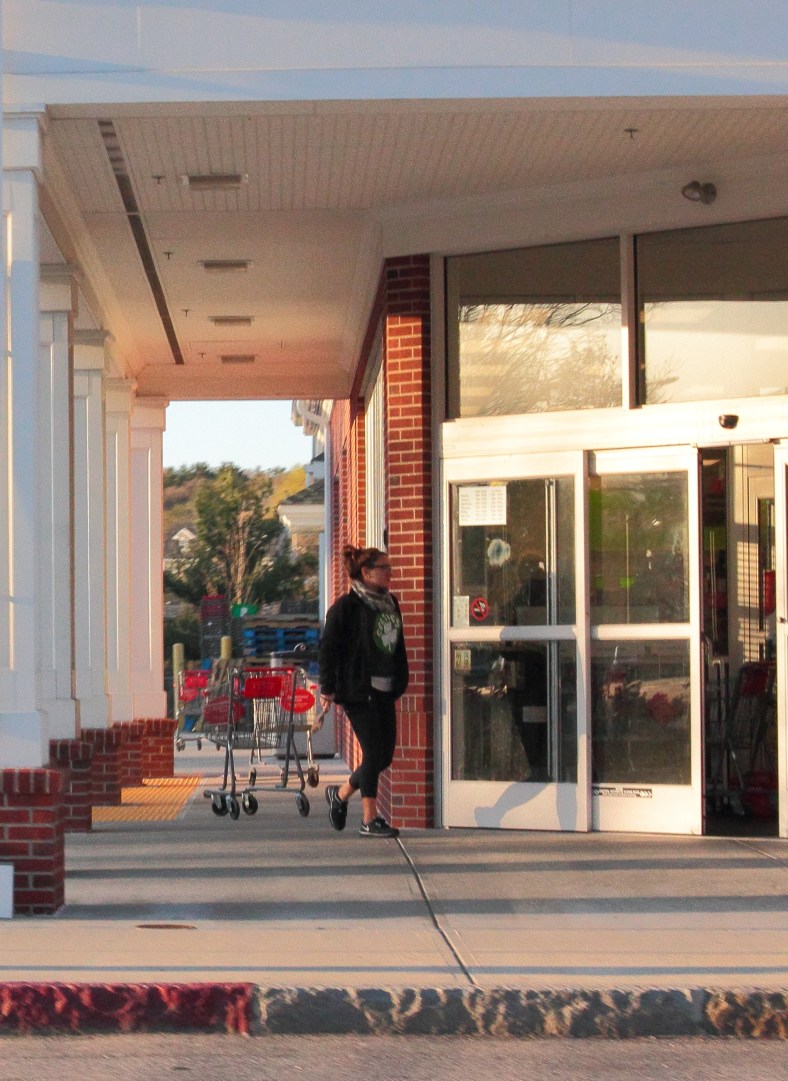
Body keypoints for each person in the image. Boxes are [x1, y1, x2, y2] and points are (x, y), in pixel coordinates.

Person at [319, 544, 409, 837]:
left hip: (385, 689)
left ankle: (341, 794)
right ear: (367, 573)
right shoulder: (346, 607)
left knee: (384, 757)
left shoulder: (390, 603)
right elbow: (328, 649)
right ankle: (369, 819)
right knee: (373, 754)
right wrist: (328, 688)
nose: (390, 573)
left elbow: (396, 644)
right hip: (357, 690)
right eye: (385, 568)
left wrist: (401, 677)